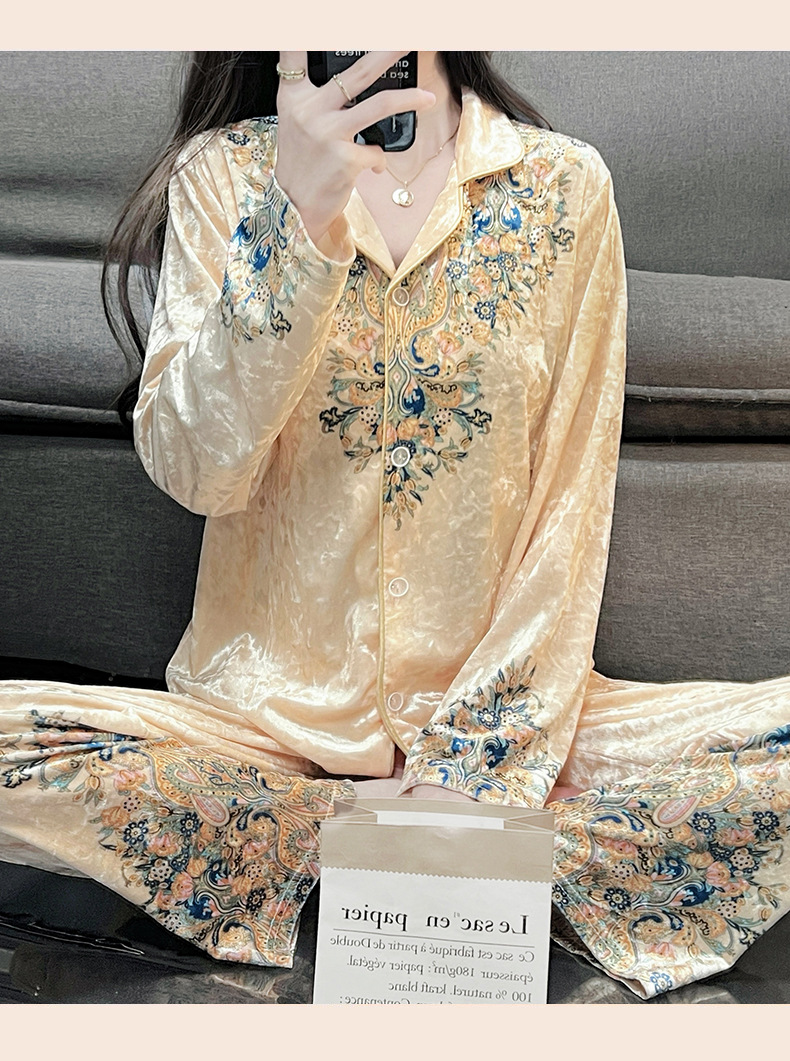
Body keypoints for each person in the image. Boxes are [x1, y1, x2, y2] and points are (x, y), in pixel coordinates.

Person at [1, 50, 788, 1000]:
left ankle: (342, 850)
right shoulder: (228, 174)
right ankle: (457, 856)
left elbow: (568, 512)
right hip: (264, 733)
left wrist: (476, 766)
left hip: (526, 739)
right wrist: (297, 220)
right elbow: (198, 470)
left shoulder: (563, 185)